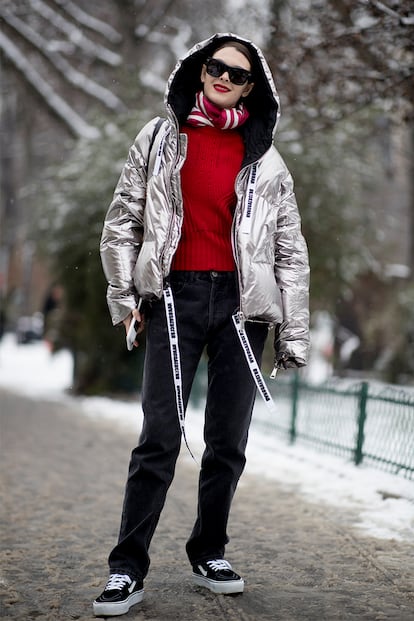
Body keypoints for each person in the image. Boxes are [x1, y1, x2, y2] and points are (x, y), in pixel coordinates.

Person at [94, 32, 310, 617]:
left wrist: (292, 331)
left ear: (251, 87)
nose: (224, 78)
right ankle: (126, 568)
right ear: (197, 70)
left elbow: (289, 250)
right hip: (174, 300)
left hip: (242, 312)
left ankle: (209, 550)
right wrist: (124, 293)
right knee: (158, 438)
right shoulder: (160, 138)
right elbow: (122, 221)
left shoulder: (265, 158)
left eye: (238, 74)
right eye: (215, 66)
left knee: (227, 443)